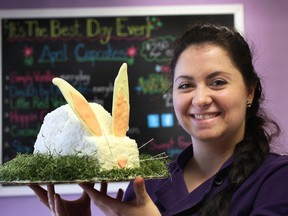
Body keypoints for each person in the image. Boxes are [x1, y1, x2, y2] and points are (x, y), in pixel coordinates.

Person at [29, 23, 288, 215]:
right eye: (186, 85)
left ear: (249, 91)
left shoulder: (277, 180)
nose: (200, 99)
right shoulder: (148, 185)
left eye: (217, 82)